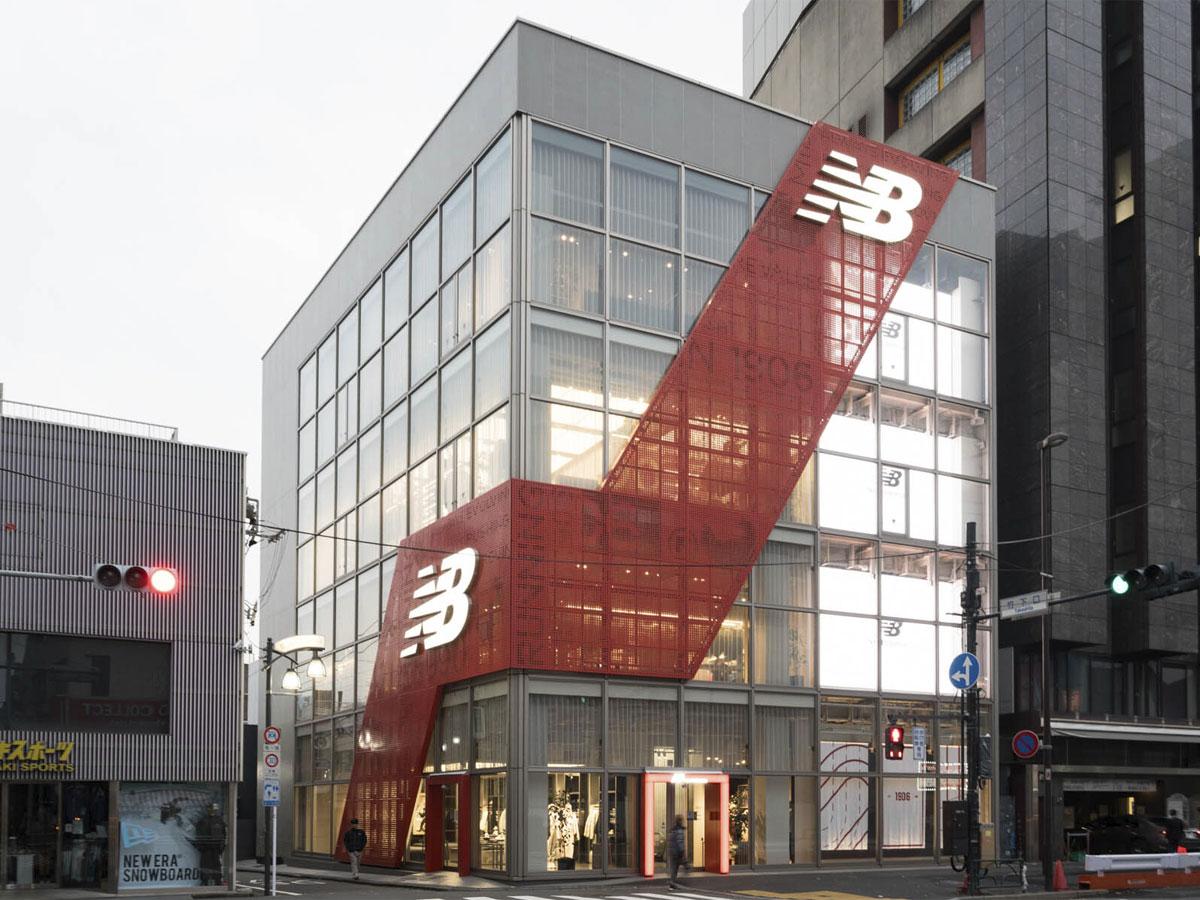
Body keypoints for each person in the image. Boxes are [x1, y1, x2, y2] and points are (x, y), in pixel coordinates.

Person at [667, 814, 687, 890]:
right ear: (680, 821)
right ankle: (672, 882)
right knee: (678, 867)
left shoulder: (673, 830)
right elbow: (680, 842)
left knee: (674, 869)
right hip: (677, 853)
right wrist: (682, 852)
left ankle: (672, 884)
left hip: (672, 852)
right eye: (682, 820)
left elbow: (670, 842)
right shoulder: (679, 831)